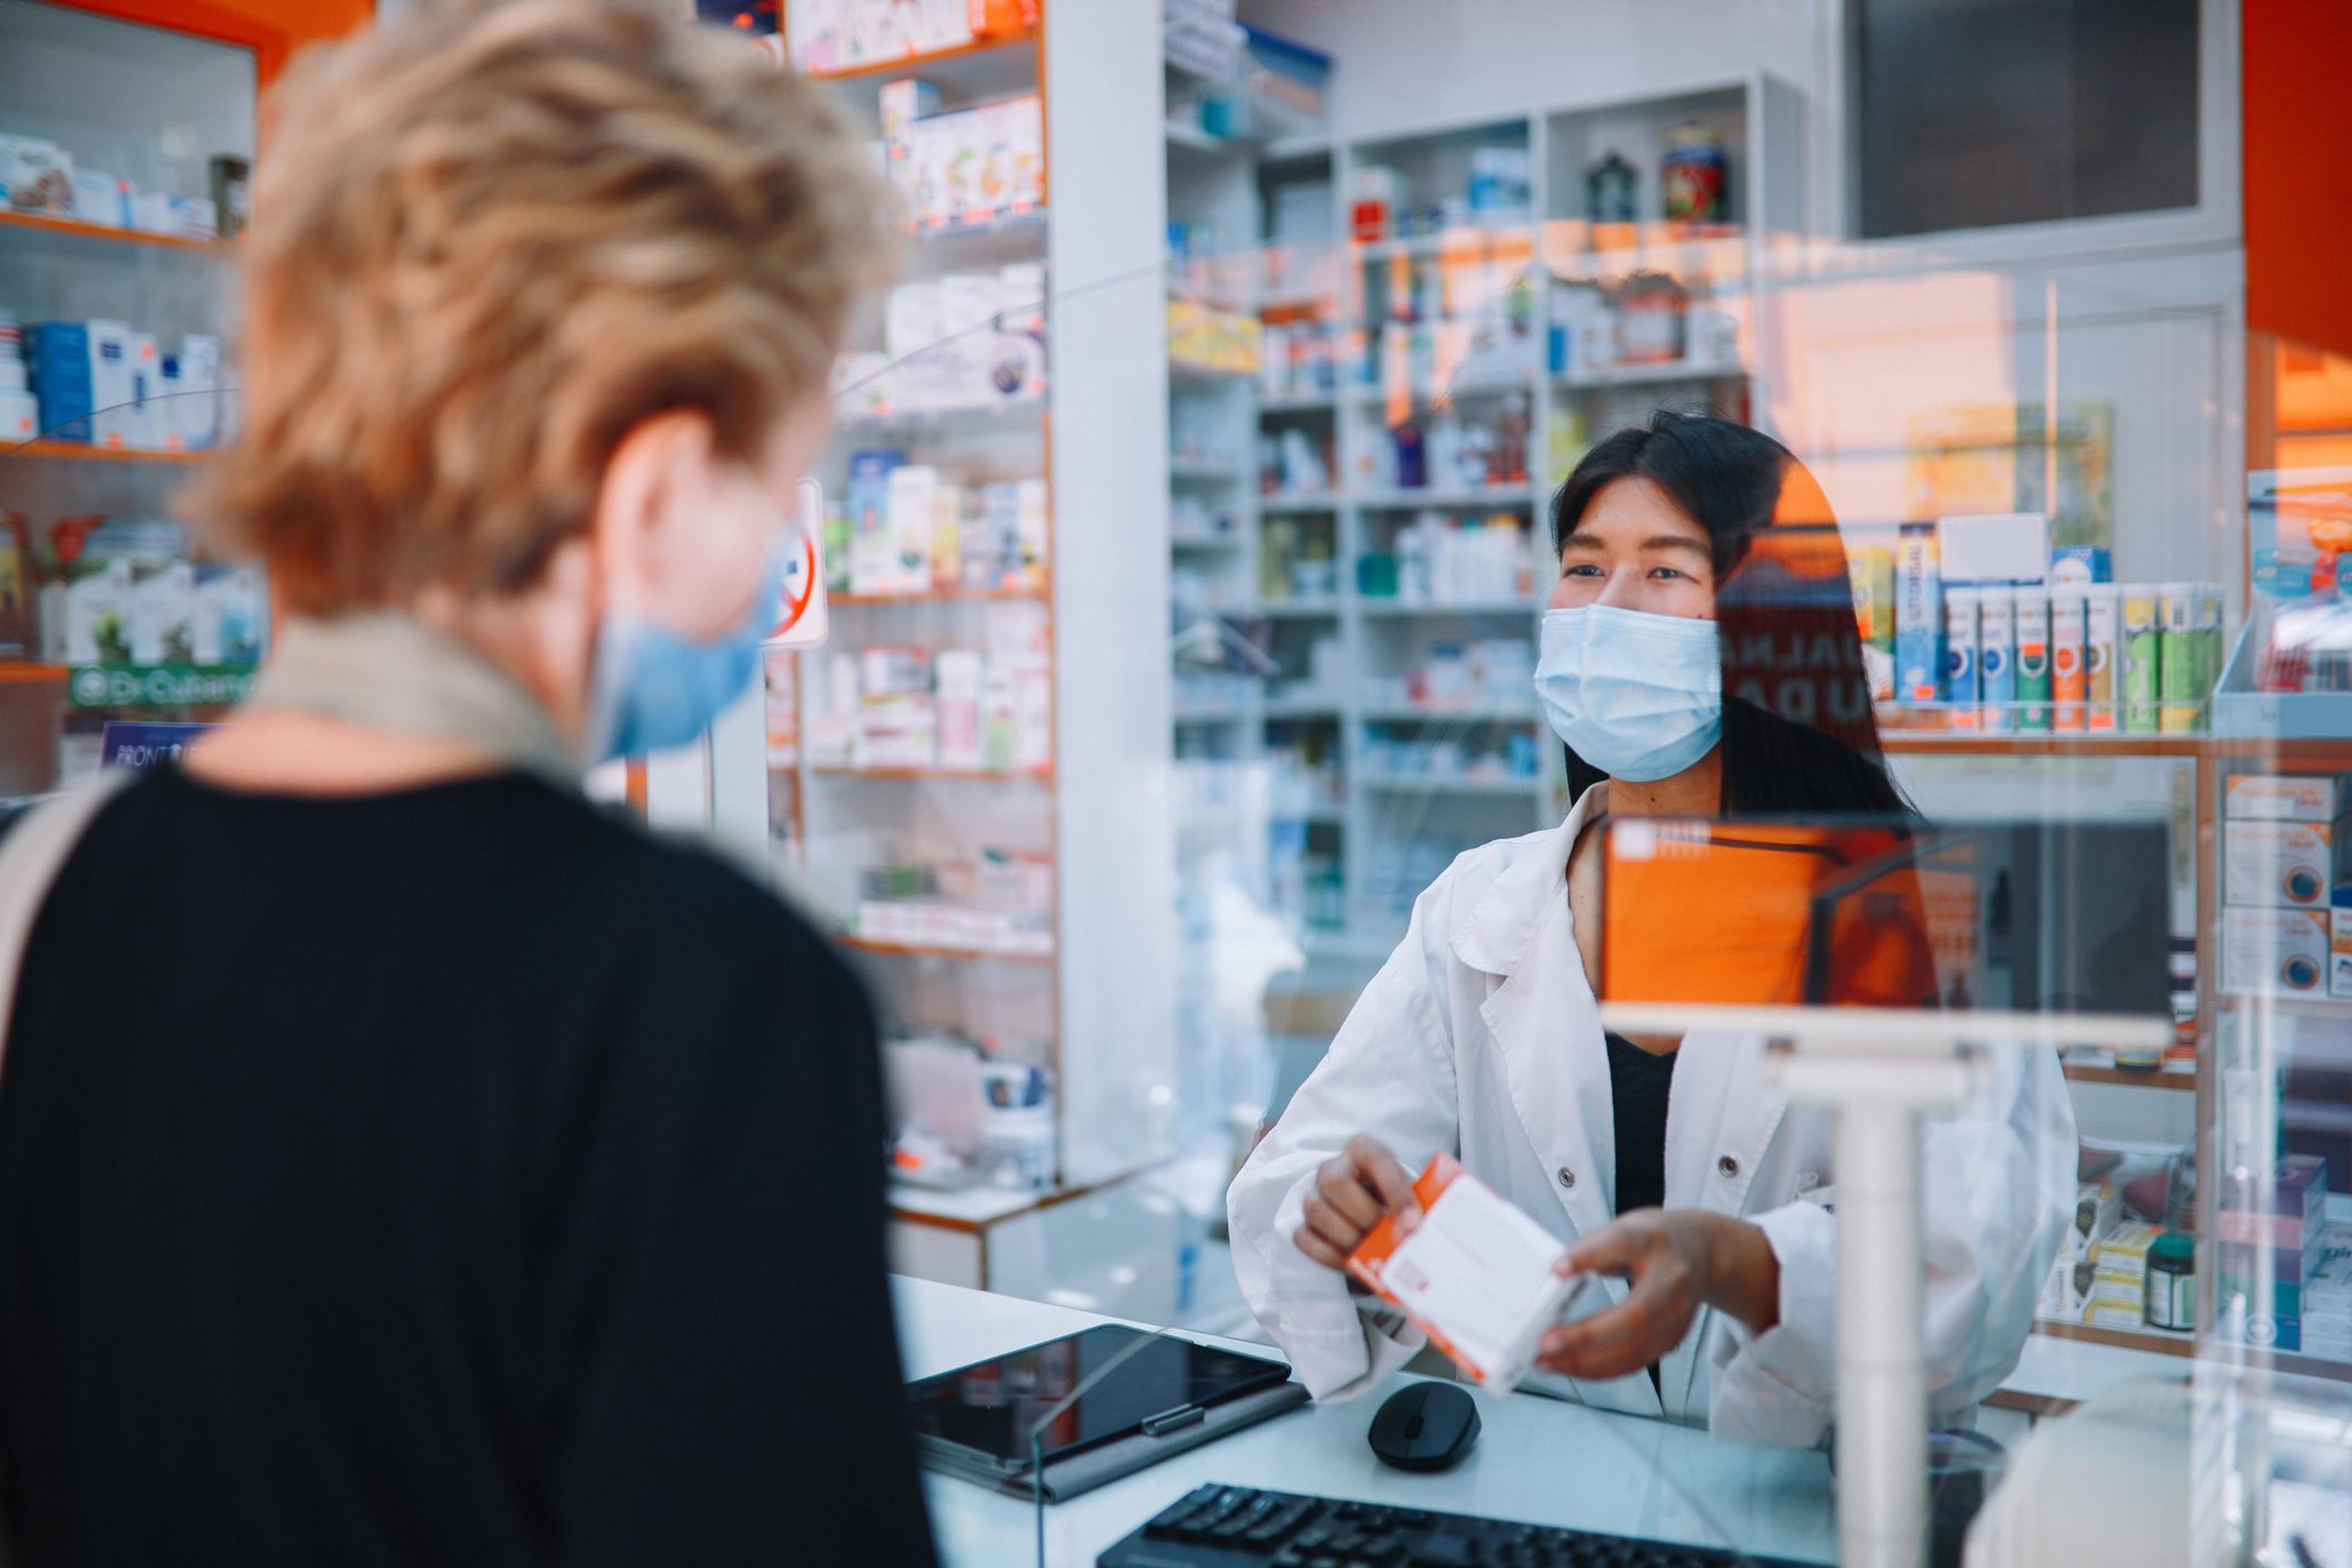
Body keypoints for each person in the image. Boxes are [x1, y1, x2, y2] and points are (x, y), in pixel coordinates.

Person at [0, 4, 937, 1563]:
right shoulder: (705, 988)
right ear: (648, 488)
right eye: (782, 476)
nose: (782, 541)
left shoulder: (51, 881)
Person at [1227, 410, 2075, 1446]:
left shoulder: (1928, 918)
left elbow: (1978, 1260)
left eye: (1667, 573)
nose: (1606, 610)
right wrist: (1338, 1217)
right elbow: (1294, 1177)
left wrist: (1740, 1265)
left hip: (1806, 1498)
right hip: (1536, 1479)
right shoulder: (1481, 907)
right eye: (1583, 570)